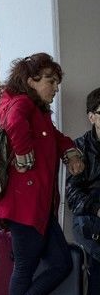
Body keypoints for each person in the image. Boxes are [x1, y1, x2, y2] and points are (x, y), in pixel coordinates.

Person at [0, 53, 84, 295]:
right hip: (25, 204)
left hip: (38, 205)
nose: (55, 87)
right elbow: (12, 123)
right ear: (31, 80)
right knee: (27, 265)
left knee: (59, 262)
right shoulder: (21, 103)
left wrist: (70, 150)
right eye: (50, 80)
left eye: (57, 82)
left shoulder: (38, 109)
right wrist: (21, 150)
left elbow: (54, 137)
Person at [66, 87, 100, 263]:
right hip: (90, 216)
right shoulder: (79, 148)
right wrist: (97, 209)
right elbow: (72, 194)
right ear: (91, 117)